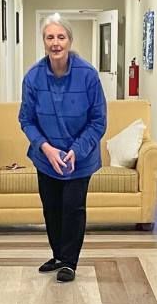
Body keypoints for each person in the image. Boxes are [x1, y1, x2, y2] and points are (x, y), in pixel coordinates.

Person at [19, 14, 107, 282]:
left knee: (72, 206)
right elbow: (26, 119)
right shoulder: (33, 77)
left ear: (69, 40)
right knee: (51, 207)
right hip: (46, 156)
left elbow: (98, 121)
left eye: (61, 37)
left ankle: (69, 261)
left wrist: (76, 151)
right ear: (43, 41)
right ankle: (58, 255)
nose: (55, 43)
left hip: (79, 157)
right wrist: (46, 148)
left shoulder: (88, 75)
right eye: (49, 37)